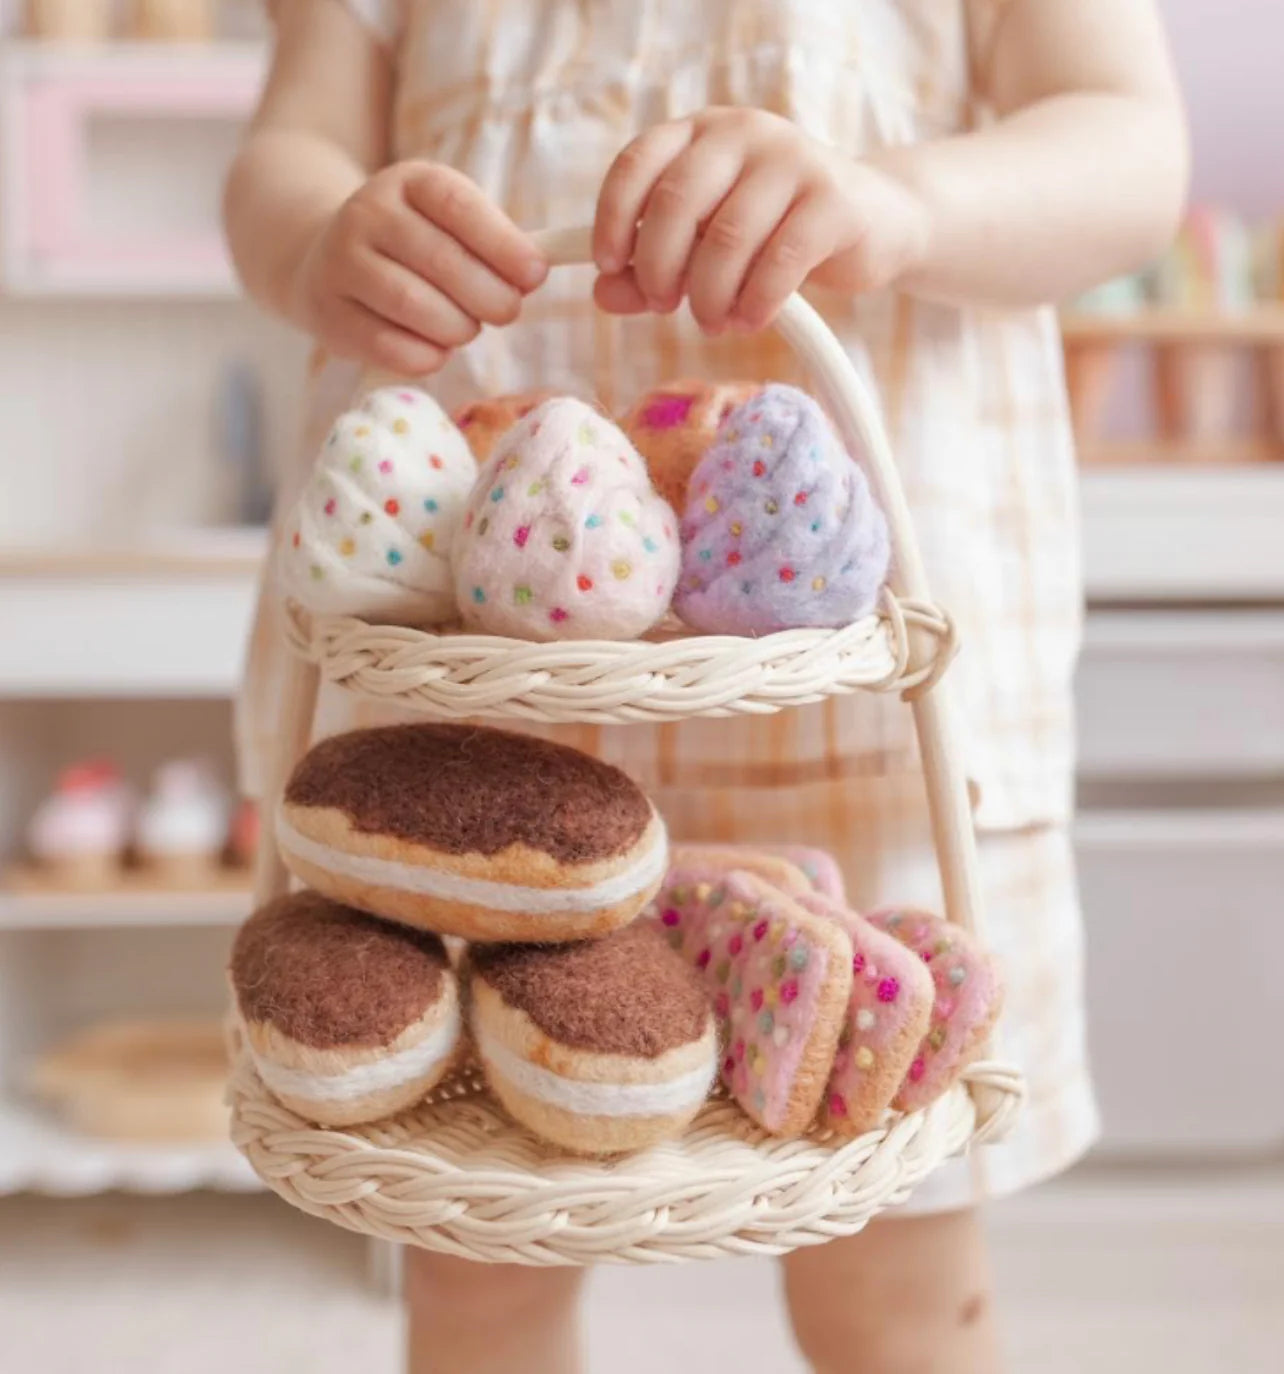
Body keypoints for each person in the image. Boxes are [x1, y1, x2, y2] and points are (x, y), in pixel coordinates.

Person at [224, 2, 1187, 1370]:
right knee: (476, 1265)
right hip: (471, 706)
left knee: (898, 1277)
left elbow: (1131, 150)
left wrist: (896, 202)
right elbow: (289, 150)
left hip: (855, 709)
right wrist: (318, 235)